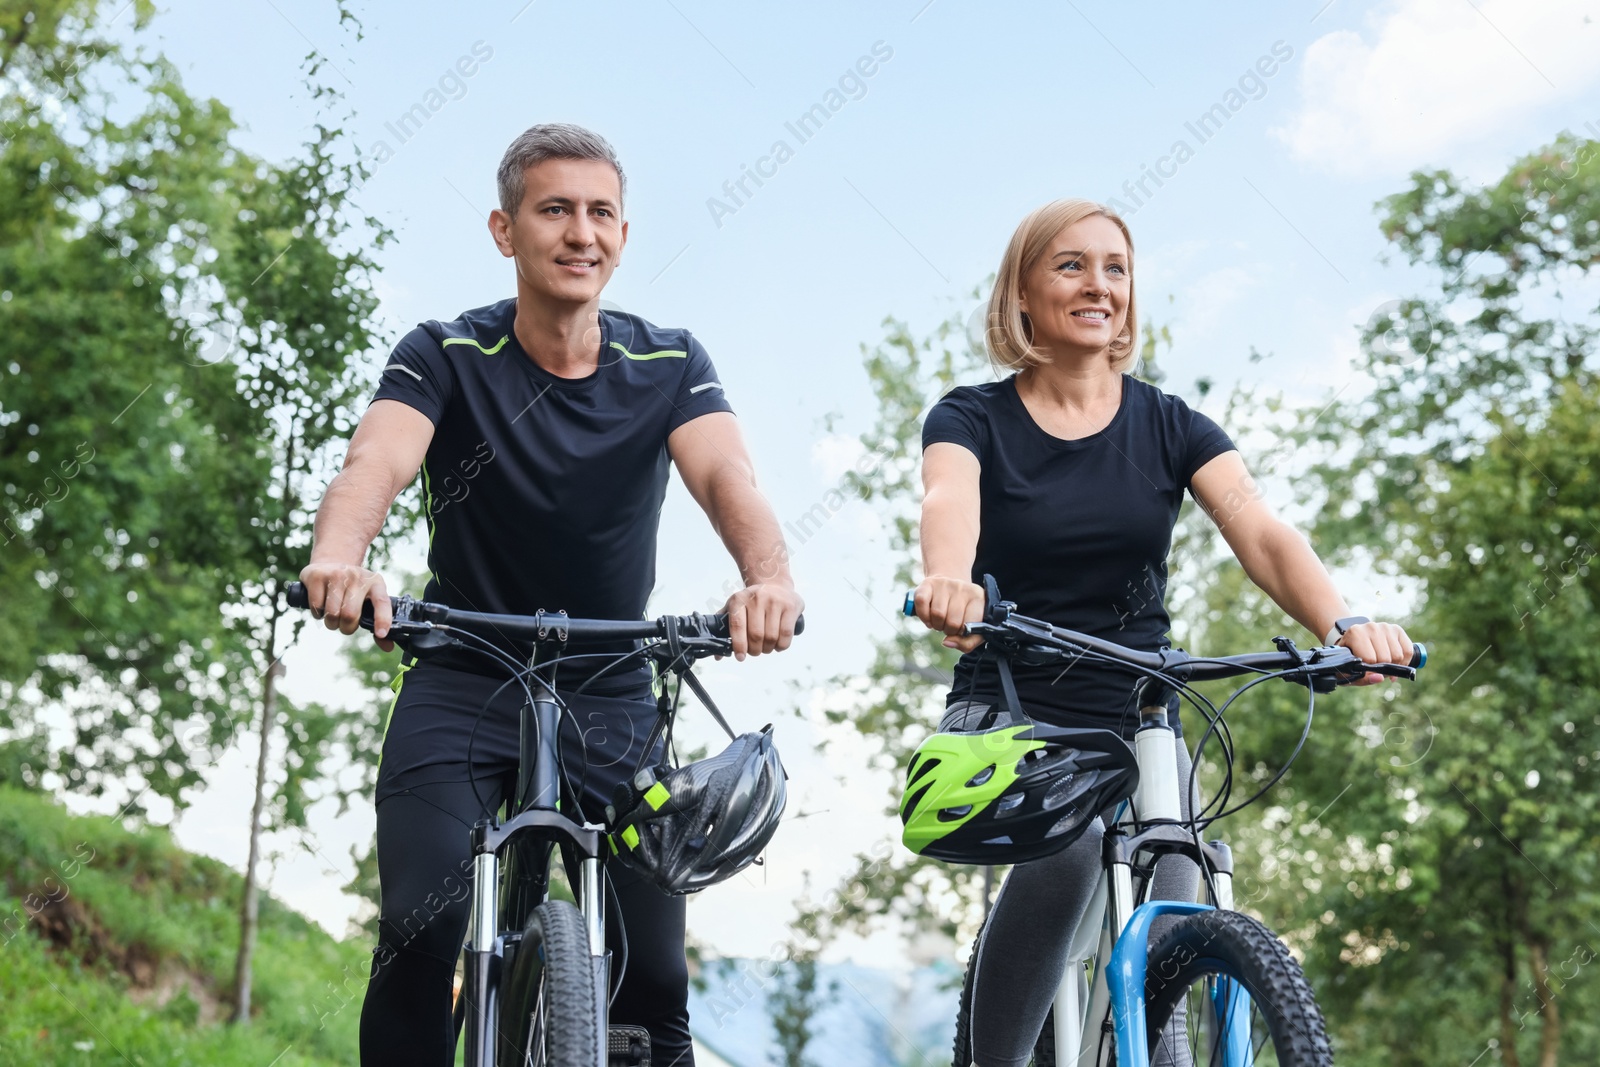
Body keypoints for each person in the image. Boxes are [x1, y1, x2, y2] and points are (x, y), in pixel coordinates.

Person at [300, 123, 803, 1067]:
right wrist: (342, 557)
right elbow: (377, 459)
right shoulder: (444, 352)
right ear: (506, 230)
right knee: (419, 927)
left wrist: (767, 581)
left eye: (601, 212)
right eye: (556, 210)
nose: (582, 232)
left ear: (622, 232)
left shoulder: (669, 363)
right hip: (461, 677)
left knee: (654, 977)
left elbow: (728, 475)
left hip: (613, 689)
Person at [908, 198, 1413, 1067]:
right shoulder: (972, 417)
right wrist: (948, 583)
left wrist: (1343, 621)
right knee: (1064, 857)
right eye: (1070, 265)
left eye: (1115, 267)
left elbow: (1261, 531)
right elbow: (948, 500)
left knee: (1180, 876)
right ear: (1022, 293)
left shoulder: (1172, 424)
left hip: (1142, 708)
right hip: (1015, 701)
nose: (1097, 284)